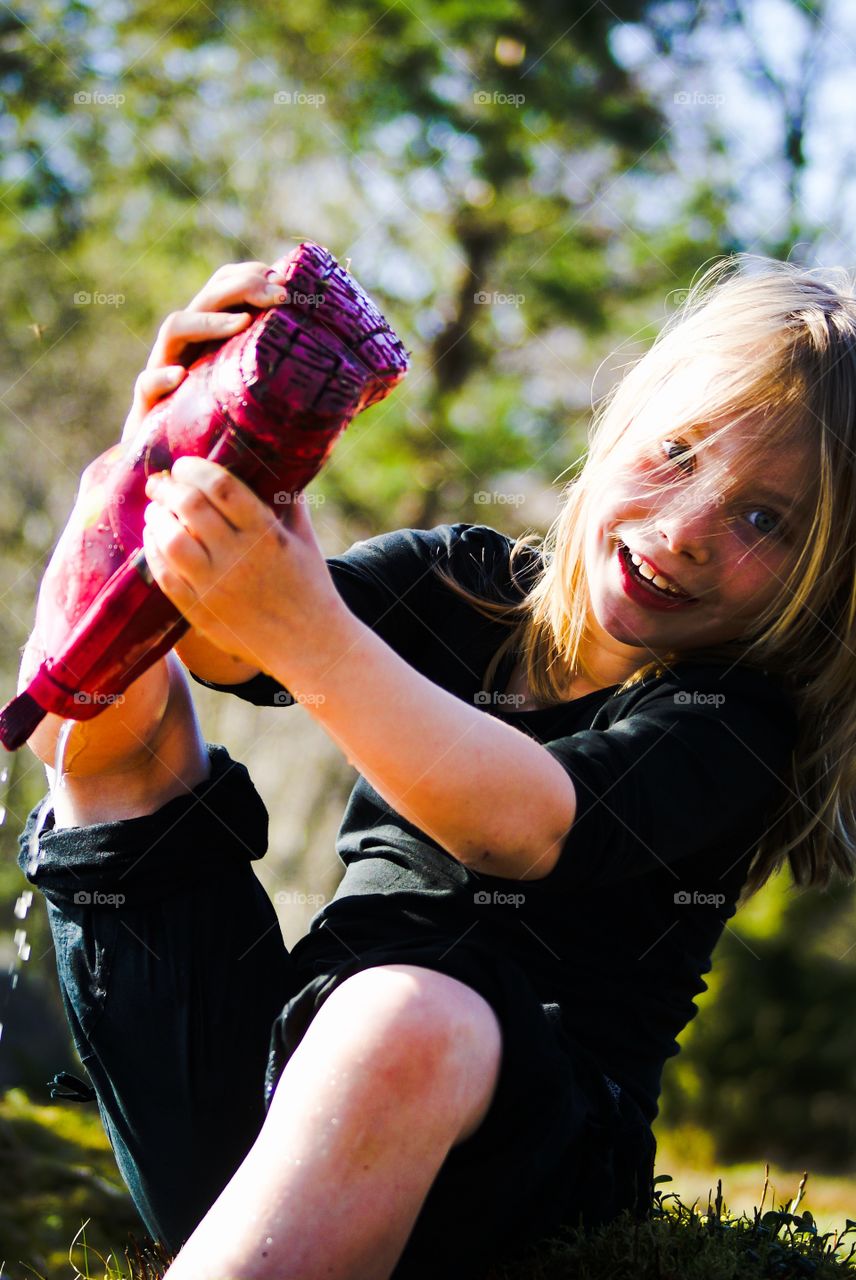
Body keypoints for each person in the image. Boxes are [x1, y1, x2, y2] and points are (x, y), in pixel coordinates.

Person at [16, 254, 856, 1280]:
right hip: (280, 1087)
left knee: (404, 1012)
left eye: (762, 517)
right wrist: (177, 449)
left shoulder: (730, 721)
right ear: (622, 420)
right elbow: (224, 643)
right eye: (677, 454)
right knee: (114, 698)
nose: (684, 533)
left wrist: (316, 637)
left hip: (510, 1152)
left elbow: (524, 822)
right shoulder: (464, 580)